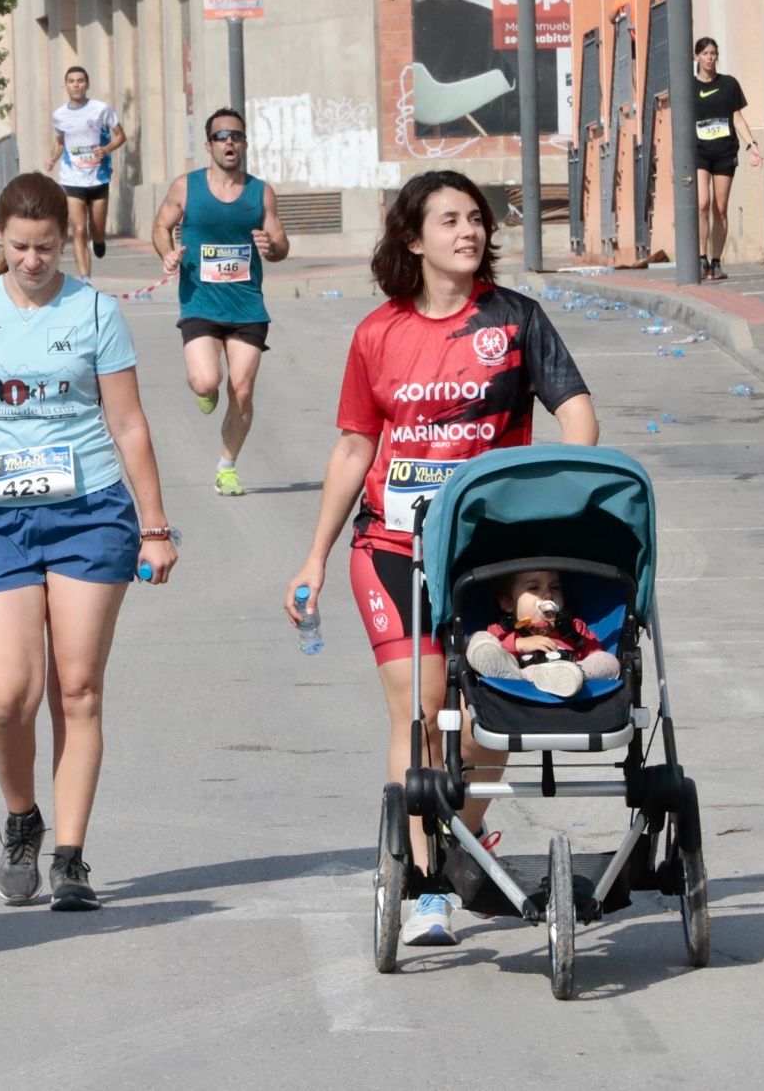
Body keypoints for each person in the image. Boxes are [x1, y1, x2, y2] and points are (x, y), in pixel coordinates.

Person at [284, 169, 597, 948]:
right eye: (450, 219)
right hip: (390, 544)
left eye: (477, 219)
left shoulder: (517, 320)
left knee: (493, 710)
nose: (468, 231)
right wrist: (314, 557)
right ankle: (425, 884)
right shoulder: (376, 334)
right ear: (414, 238)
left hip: (489, 551)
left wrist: (551, 500)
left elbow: (579, 416)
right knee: (421, 706)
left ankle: (460, 834)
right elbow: (356, 444)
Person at [0, 172, 177, 911]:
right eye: (21, 247)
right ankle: (22, 817)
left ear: (67, 239)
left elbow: (127, 424)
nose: (33, 261)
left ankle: (70, 856)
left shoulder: (95, 311)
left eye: (47, 247)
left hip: (90, 511)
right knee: (6, 695)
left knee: (78, 687)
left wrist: (154, 524)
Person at [150, 107, 290, 498]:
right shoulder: (186, 187)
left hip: (247, 306)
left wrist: (271, 246)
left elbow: (280, 244)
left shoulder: (260, 192)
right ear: (209, 144)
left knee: (242, 390)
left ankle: (227, 467)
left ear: (244, 144)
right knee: (207, 380)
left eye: (237, 136)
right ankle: (204, 386)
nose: (230, 142)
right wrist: (168, 251)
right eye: (222, 136)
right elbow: (161, 226)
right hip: (200, 301)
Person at [466, 569, 619, 698]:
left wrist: (579, 666)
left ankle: (567, 675)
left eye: (555, 588)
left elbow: (594, 654)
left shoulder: (573, 628)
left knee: (608, 660)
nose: (547, 595)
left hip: (569, 677)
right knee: (480, 639)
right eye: (534, 588)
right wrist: (517, 644)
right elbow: (493, 647)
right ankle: (516, 677)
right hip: (519, 681)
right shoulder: (502, 631)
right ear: (508, 603)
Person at [43, 66, 126, 278]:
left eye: (80, 81)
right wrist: (53, 158)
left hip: (98, 177)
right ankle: (86, 279)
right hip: (72, 179)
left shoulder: (101, 109)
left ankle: (99, 240)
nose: (76, 85)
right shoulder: (59, 115)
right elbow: (61, 142)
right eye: (71, 81)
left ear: (87, 85)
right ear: (66, 85)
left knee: (96, 229)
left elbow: (120, 136)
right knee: (79, 230)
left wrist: (106, 149)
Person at [692, 36, 762, 282]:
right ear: (696, 57)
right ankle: (700, 259)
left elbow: (737, 118)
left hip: (724, 152)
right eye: (705, 53)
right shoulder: (689, 87)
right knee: (702, 204)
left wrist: (752, 144)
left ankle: (716, 262)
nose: (710, 57)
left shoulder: (729, 84)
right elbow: (679, 124)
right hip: (698, 152)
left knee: (720, 208)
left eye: (713, 53)